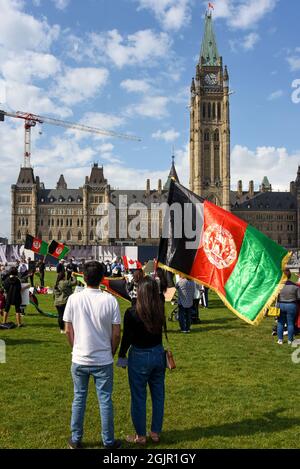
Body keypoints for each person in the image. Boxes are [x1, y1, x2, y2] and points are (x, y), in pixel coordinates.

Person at [63, 261, 122, 449]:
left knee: (79, 397)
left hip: (80, 357)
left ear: (83, 277)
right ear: (103, 278)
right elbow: (116, 333)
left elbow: (67, 330)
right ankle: (108, 441)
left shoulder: (74, 298)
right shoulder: (110, 300)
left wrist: (75, 348)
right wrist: (112, 351)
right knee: (105, 400)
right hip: (103, 358)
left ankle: (76, 439)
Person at [118, 277, 166, 445]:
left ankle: (141, 435)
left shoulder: (132, 312)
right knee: (158, 396)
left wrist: (121, 355)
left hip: (140, 355)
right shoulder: (159, 308)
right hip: (158, 354)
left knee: (139, 397)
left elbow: (127, 337)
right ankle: (155, 432)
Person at [277, 268, 300, 345]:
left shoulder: (278, 286)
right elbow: (299, 297)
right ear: (290, 275)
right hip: (291, 305)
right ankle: (290, 340)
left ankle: (280, 340)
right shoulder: (295, 286)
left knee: (280, 323)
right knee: (290, 323)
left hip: (281, 304)